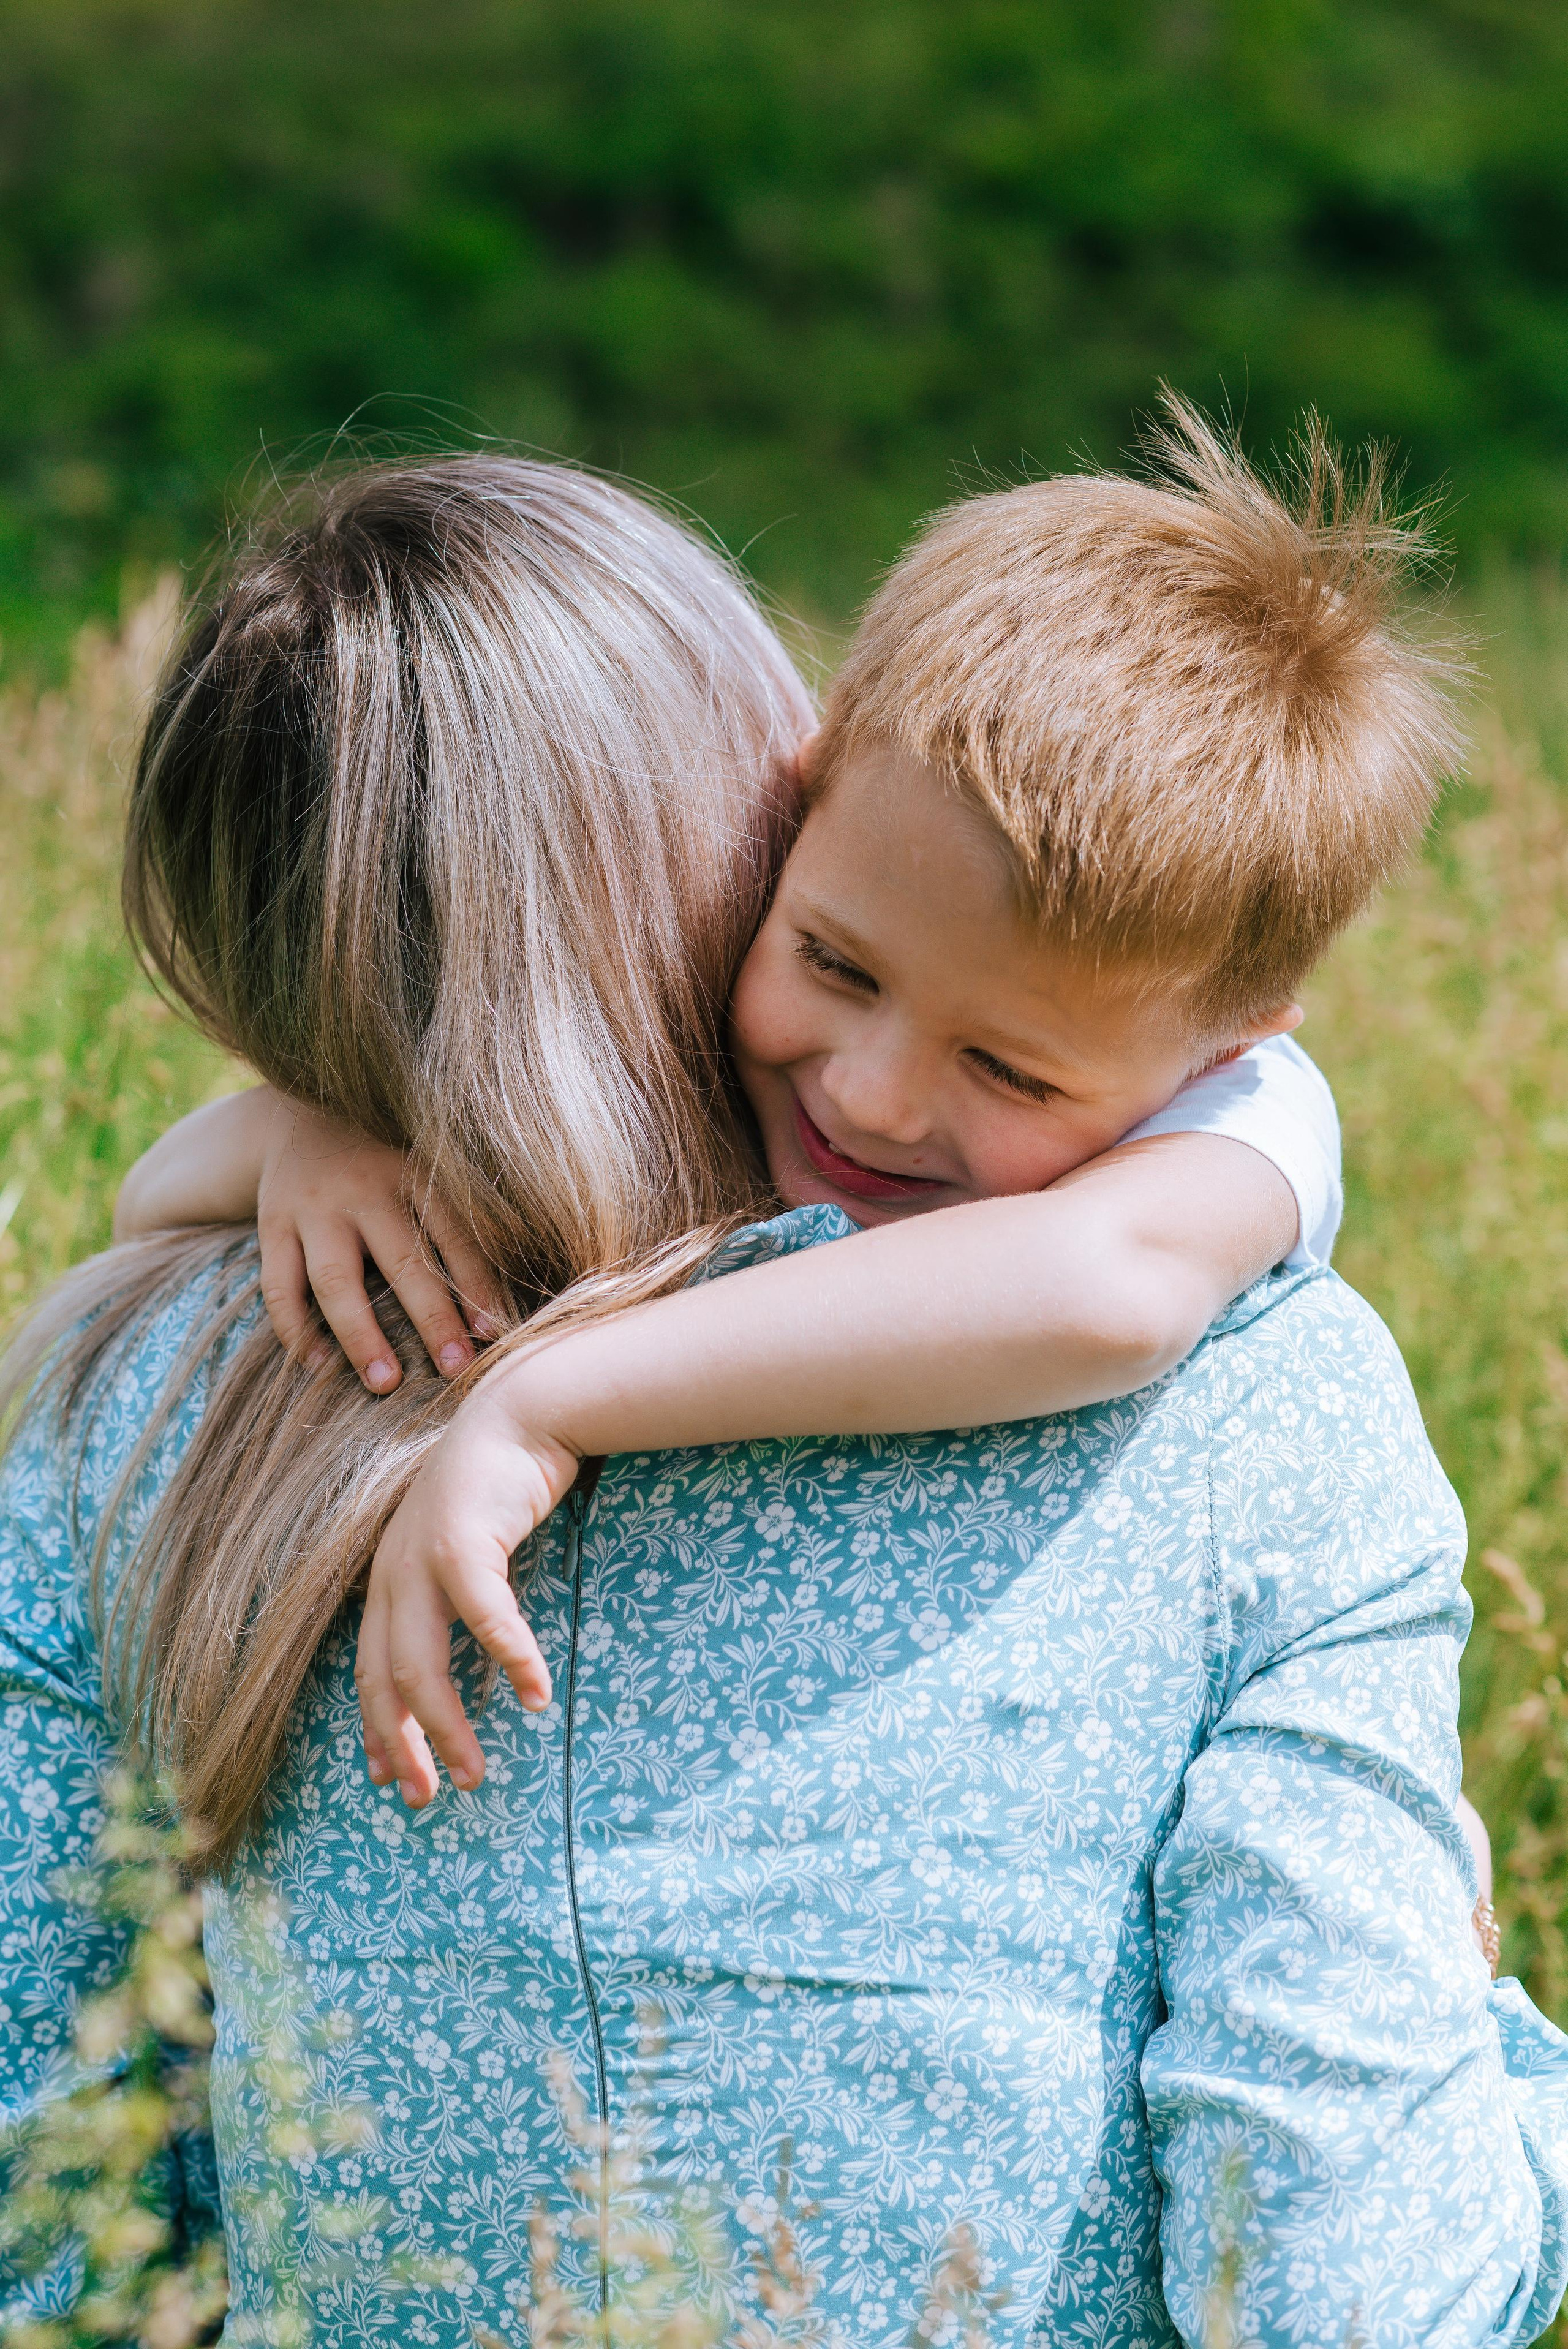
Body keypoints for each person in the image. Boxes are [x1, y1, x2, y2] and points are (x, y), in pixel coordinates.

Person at [2, 440, 1563, 2348]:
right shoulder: (1258, 1415)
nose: (888, 1101)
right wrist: (1487, 2033)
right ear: (786, 791)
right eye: (829, 956)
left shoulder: (134, 1384)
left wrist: (372, 1218)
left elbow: (50, 2226)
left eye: (1005, 1060)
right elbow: (1350, 2290)